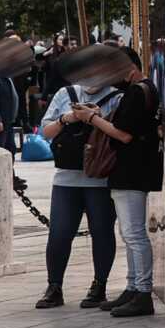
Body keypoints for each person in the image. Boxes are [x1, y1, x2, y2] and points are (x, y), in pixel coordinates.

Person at [34, 49, 125, 310]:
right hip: (66, 177)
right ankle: (54, 286)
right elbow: (46, 131)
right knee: (60, 232)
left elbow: (121, 133)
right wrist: (68, 117)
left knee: (102, 232)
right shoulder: (66, 95)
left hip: (101, 177)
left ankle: (99, 285)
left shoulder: (117, 98)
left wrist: (95, 118)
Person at [83, 47, 163, 317]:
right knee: (129, 234)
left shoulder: (136, 92)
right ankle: (132, 287)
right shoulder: (147, 89)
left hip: (131, 169)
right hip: (135, 169)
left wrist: (91, 118)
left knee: (134, 234)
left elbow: (124, 134)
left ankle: (142, 290)